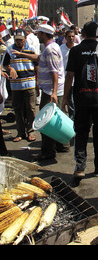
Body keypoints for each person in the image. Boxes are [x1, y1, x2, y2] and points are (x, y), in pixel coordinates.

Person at [62, 21, 98, 179]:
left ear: (82, 34)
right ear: (97, 34)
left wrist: (65, 98)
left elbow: (69, 75)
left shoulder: (75, 50)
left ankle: (80, 167)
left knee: (81, 132)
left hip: (81, 99)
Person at [13, 24, 66, 161]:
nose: (37, 36)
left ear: (44, 34)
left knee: (46, 123)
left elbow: (54, 73)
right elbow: (38, 58)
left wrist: (53, 93)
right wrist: (21, 54)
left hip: (51, 92)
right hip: (50, 90)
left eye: (39, 33)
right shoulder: (49, 48)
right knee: (54, 121)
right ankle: (61, 145)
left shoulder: (51, 50)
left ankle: (48, 151)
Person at [3, 29, 38, 142]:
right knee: (17, 109)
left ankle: (31, 131)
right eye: (17, 40)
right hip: (16, 85)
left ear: (25, 39)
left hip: (30, 83)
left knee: (31, 109)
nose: (19, 42)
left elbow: (36, 64)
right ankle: (20, 132)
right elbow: (4, 66)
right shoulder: (9, 50)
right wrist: (10, 68)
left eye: (21, 40)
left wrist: (38, 82)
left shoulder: (31, 50)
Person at [60, 29, 77, 120]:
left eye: (73, 36)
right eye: (69, 36)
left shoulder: (78, 48)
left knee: (75, 102)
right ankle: (72, 120)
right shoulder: (61, 49)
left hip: (77, 80)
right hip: (66, 80)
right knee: (70, 101)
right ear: (65, 38)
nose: (71, 38)